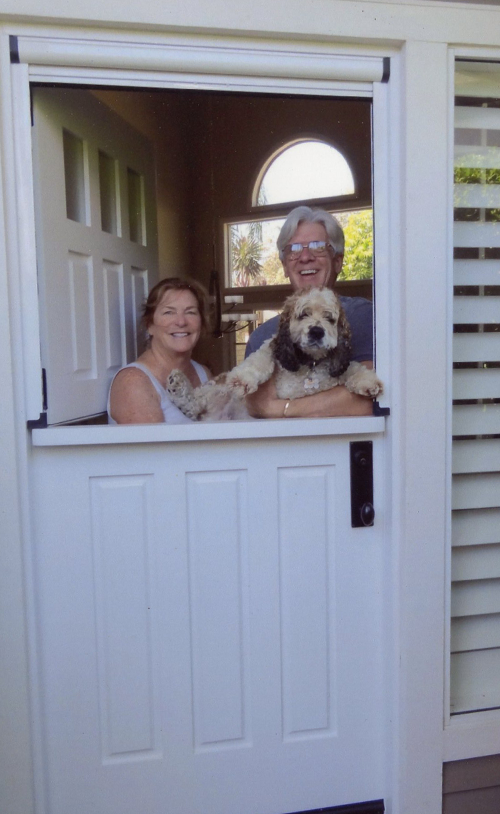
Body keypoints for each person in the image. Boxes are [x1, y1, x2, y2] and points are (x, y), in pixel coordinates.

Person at [245, 205, 374, 418]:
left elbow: (367, 400)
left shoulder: (362, 316)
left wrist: (280, 409)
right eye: (294, 249)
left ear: (338, 261)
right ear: (284, 266)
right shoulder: (261, 337)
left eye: (318, 246)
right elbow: (254, 407)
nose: (305, 257)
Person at [108, 277, 212, 424]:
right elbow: (151, 442)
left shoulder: (203, 374)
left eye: (190, 312)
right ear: (150, 325)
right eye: (169, 312)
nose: (181, 322)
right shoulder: (133, 381)